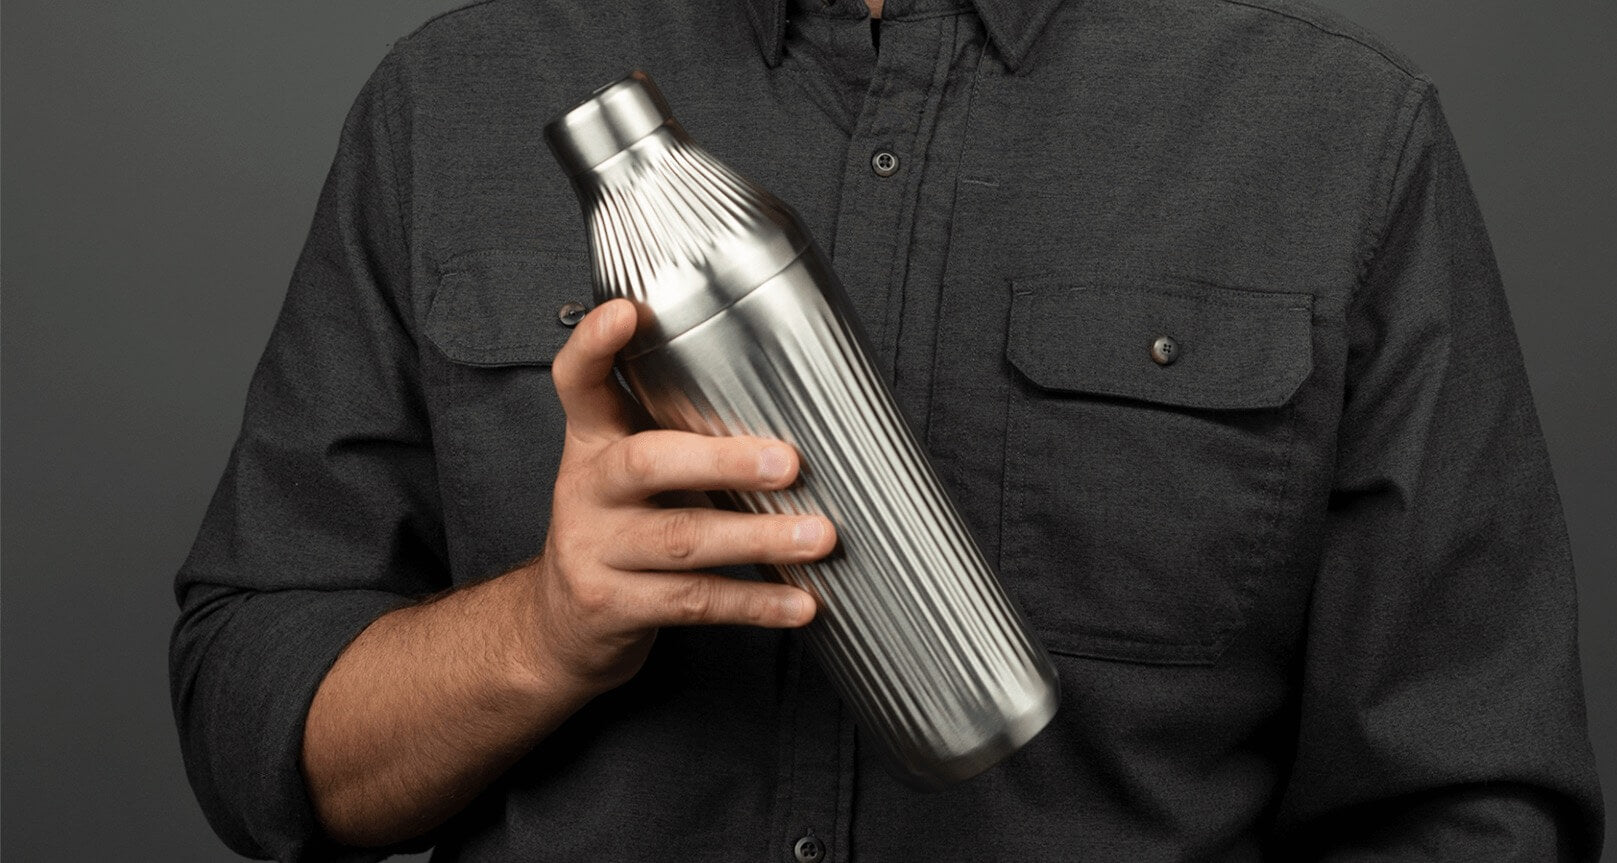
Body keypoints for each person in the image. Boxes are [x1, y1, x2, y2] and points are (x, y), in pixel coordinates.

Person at [170, 0, 1605, 859]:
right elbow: (255, 730)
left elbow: (1471, 802)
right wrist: (544, 628)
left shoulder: (1327, 135)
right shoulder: (452, 104)